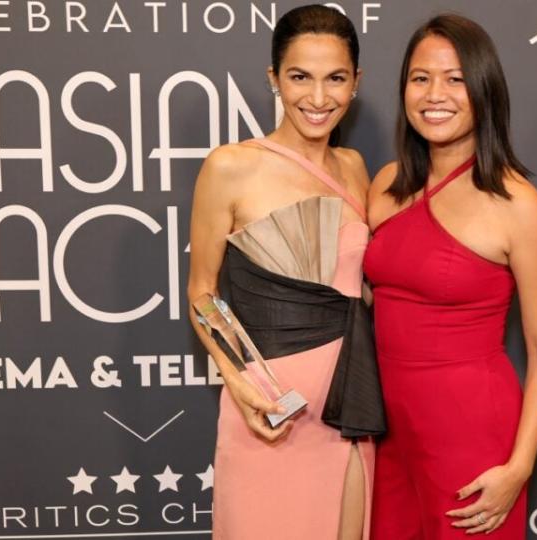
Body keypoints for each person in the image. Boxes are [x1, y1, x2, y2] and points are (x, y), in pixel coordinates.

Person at [364, 14, 537, 538]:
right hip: (388, 435)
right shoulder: (386, 184)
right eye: (420, 77)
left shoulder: (519, 205)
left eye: (455, 79)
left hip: (471, 437)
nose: (435, 94)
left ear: (483, 89)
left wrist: (519, 467)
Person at [187, 6, 384, 539]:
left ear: (356, 83)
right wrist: (238, 380)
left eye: (335, 79)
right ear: (274, 78)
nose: (318, 99)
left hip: (349, 406)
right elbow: (203, 294)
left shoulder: (356, 170)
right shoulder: (230, 166)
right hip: (270, 406)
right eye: (300, 77)